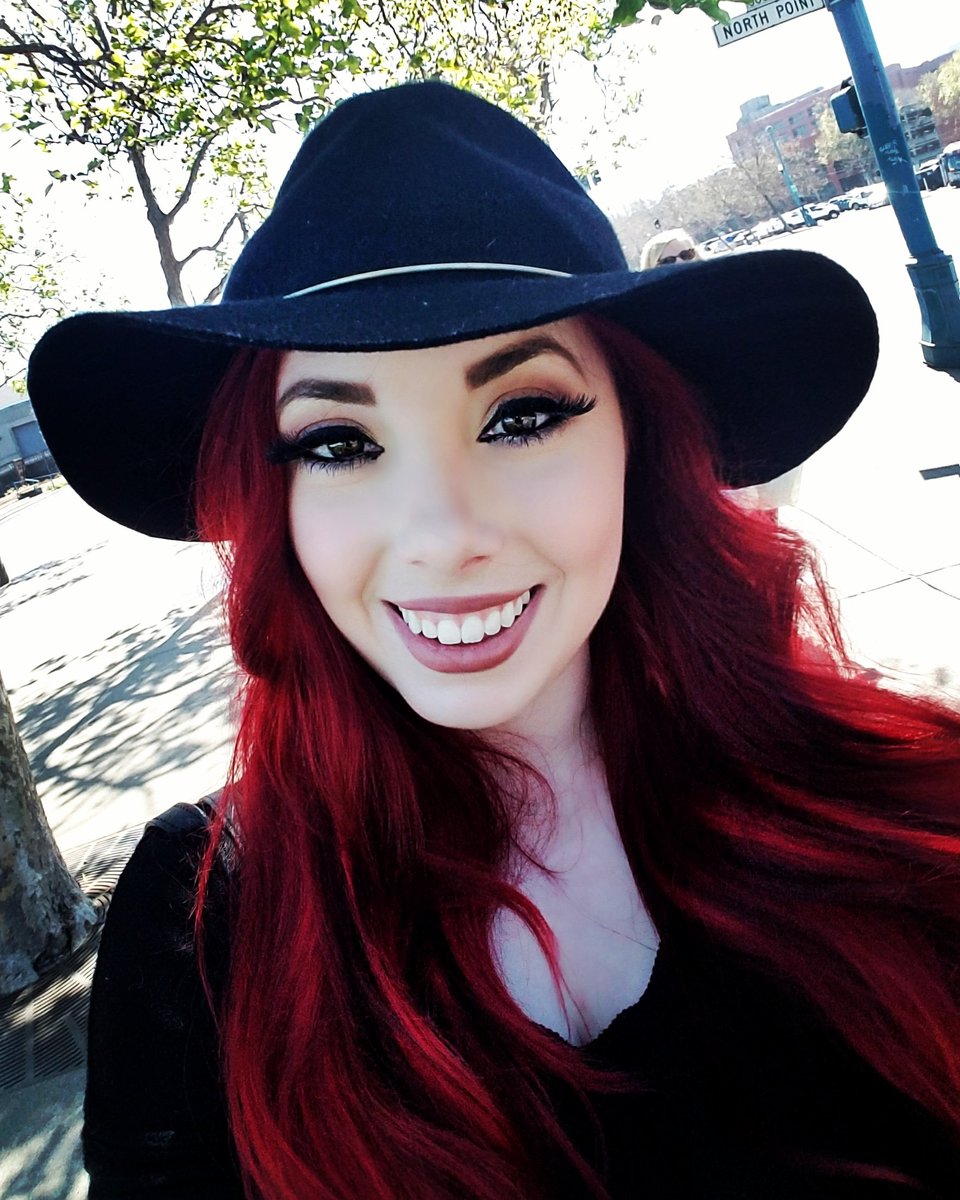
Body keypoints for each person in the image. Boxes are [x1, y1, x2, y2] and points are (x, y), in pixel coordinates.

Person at [28, 82, 960, 1200]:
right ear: (274, 500)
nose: (442, 535)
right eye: (338, 441)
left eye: (521, 415)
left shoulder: (899, 812)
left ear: (641, 441)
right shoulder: (205, 926)